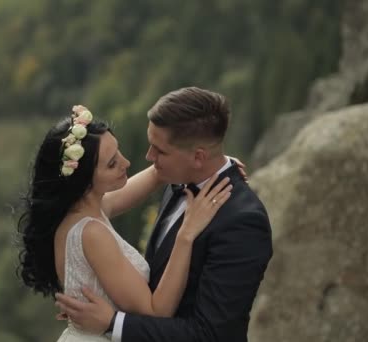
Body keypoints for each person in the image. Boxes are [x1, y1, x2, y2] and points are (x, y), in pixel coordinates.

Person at [55, 87, 273, 342]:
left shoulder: (243, 222)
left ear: (198, 156)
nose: (149, 157)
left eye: (160, 151)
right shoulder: (177, 179)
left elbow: (211, 335)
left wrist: (113, 323)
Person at [17, 104, 235, 341]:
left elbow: (156, 174)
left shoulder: (83, 211)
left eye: (118, 151)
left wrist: (216, 162)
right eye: (112, 164)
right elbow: (156, 311)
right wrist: (187, 233)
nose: (126, 163)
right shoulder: (91, 233)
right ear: (84, 181)